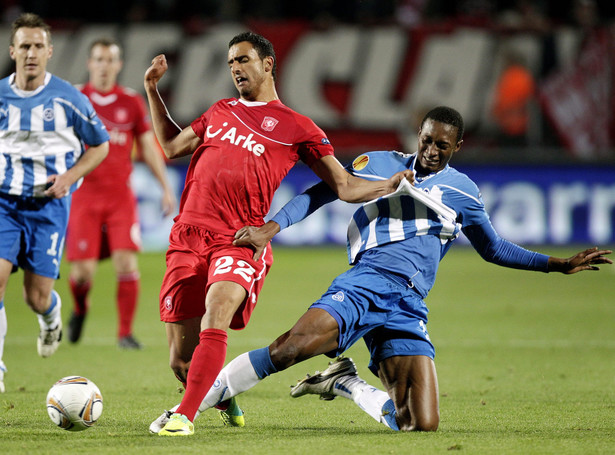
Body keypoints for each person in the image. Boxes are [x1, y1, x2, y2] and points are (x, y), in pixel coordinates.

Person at [149, 106, 612, 433]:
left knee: (418, 423)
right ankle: (185, 410)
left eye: (442, 145)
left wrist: (558, 265)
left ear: (457, 147)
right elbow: (323, 191)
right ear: (419, 135)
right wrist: (272, 226)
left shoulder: (464, 192)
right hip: (366, 282)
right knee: (289, 349)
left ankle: (343, 382)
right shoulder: (382, 164)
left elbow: (493, 249)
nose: (431, 150)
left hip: (409, 303)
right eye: (426, 140)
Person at [143, 31, 411, 436]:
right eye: (231, 61)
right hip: (188, 235)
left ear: (268, 64)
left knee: (217, 311)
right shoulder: (218, 112)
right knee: (182, 360)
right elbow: (168, 146)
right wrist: (152, 89)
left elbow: (344, 186)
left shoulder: (297, 126)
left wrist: (389, 186)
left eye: (244, 59)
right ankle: (217, 393)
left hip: (239, 239)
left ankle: (184, 416)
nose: (235, 68)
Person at [0, 13, 110, 393]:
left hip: (49, 208)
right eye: (24, 46)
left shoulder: (68, 98)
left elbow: (101, 145)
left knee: (36, 296)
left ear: (49, 51)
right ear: (12, 50)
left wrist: (69, 177)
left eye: (37, 46)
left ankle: (51, 318)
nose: (30, 53)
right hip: (4, 203)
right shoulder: (0, 98)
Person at [65, 37, 176, 350]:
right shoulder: (76, 97)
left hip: (119, 197)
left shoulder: (130, 102)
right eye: (98, 59)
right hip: (84, 196)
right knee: (83, 273)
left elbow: (149, 148)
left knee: (127, 264)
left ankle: (125, 333)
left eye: (109, 60)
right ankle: (80, 308)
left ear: (118, 65)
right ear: (90, 64)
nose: (103, 66)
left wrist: (165, 186)